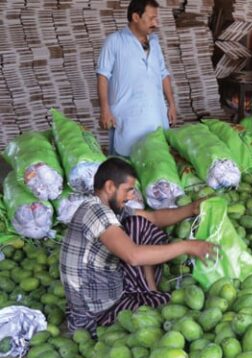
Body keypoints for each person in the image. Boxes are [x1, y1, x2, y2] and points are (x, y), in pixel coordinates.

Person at [60, 158, 215, 334]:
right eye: (128, 190)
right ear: (110, 186)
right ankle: (150, 296)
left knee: (138, 223)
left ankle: (149, 290)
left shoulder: (109, 208)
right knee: (171, 312)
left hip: (108, 291)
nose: (131, 196)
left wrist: (191, 209)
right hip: (96, 315)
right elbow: (133, 256)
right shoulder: (96, 212)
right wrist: (188, 246)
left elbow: (154, 218)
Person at [97, 0, 177, 157]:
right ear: (135, 17)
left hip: (155, 116)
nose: (156, 23)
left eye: (156, 18)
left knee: (155, 162)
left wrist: (171, 104)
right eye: (151, 18)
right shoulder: (114, 41)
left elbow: (163, 73)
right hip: (127, 118)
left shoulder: (155, 43)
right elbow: (102, 76)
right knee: (124, 166)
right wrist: (105, 110)